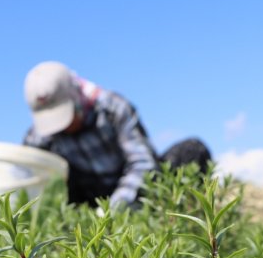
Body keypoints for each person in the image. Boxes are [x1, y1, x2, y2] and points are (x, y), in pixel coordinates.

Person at [23, 61, 211, 207]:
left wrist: (112, 210)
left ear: (76, 96)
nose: (60, 127)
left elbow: (143, 163)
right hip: (89, 197)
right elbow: (25, 174)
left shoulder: (112, 108)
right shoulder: (39, 135)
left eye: (64, 115)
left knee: (192, 151)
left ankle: (182, 219)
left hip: (134, 188)